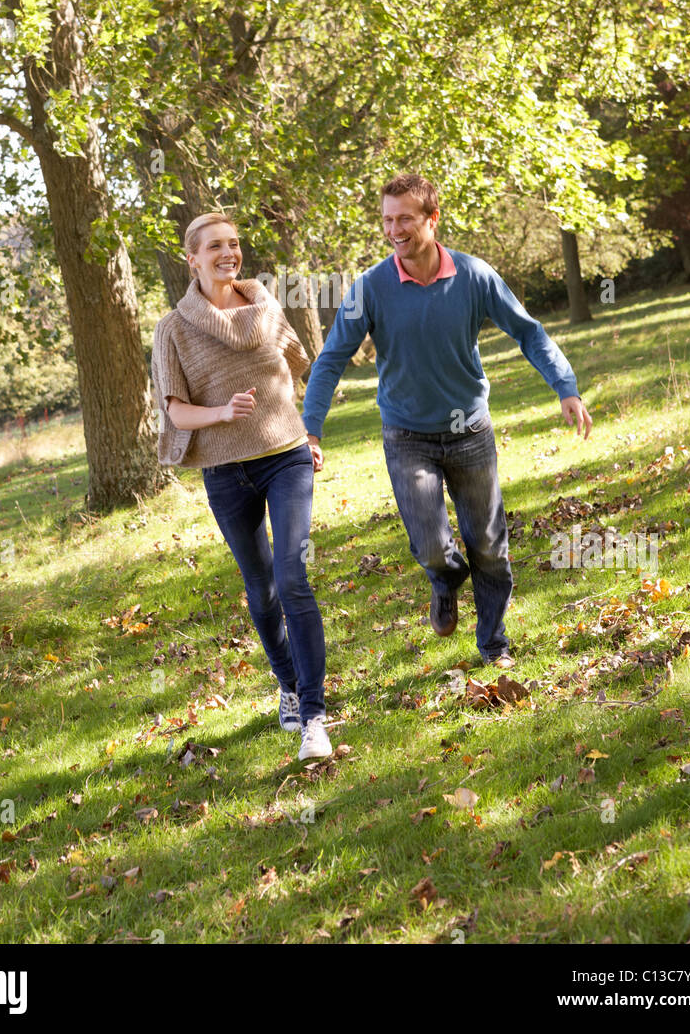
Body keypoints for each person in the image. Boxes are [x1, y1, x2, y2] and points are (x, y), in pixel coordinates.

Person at [301, 173, 593, 669]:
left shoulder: (474, 276)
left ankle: (494, 645)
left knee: (490, 546)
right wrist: (311, 427)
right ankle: (443, 579)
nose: (395, 229)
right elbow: (330, 359)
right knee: (434, 547)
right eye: (388, 219)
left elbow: (528, 332)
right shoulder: (370, 287)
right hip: (407, 434)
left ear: (432, 220)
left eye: (406, 219)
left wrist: (564, 386)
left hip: (471, 432)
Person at [150, 212, 331, 761]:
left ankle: (315, 715)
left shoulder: (266, 305)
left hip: (286, 458)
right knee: (261, 588)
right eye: (215, 247)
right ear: (193, 259)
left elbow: (297, 366)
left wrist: (305, 430)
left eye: (234, 244)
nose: (229, 253)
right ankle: (288, 686)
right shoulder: (174, 328)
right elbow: (176, 413)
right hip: (227, 473)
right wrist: (223, 412)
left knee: (293, 574)